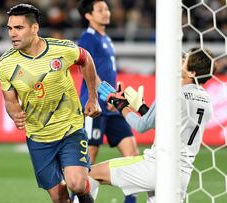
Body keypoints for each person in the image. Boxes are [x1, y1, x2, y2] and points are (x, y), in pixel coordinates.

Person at [0, 4, 101, 203]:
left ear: (34, 28)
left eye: (19, 28)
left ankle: (86, 192)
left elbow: (86, 59)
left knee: (76, 184)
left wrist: (93, 98)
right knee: (59, 197)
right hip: (39, 137)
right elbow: (10, 101)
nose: (12, 34)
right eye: (9, 28)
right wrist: (15, 113)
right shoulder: (5, 64)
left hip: (70, 128)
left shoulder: (62, 49)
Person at [89, 47, 215, 202]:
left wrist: (119, 104)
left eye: (184, 60)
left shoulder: (172, 92)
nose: (179, 61)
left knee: (90, 174)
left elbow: (141, 126)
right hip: (182, 175)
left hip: (157, 166)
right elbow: (168, 128)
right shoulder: (207, 100)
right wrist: (142, 109)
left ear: (192, 73)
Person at [76, 1, 139, 202]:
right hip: (93, 106)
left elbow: (107, 73)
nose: (106, 13)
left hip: (112, 106)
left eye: (107, 9)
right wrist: (107, 94)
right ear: (88, 15)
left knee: (132, 154)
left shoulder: (107, 39)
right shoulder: (87, 38)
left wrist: (114, 94)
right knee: (89, 157)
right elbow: (88, 72)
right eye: (100, 10)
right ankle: (78, 199)